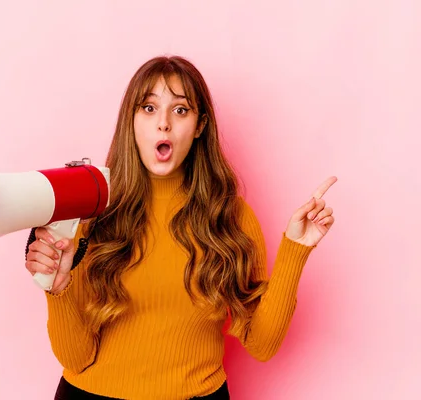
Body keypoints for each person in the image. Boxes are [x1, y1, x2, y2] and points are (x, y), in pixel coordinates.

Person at [24, 55, 336, 400]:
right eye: (148, 108)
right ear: (131, 121)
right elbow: (75, 357)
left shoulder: (230, 216)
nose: (163, 125)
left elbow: (262, 345)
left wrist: (296, 250)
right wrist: (59, 288)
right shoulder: (94, 210)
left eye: (180, 110)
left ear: (200, 125)